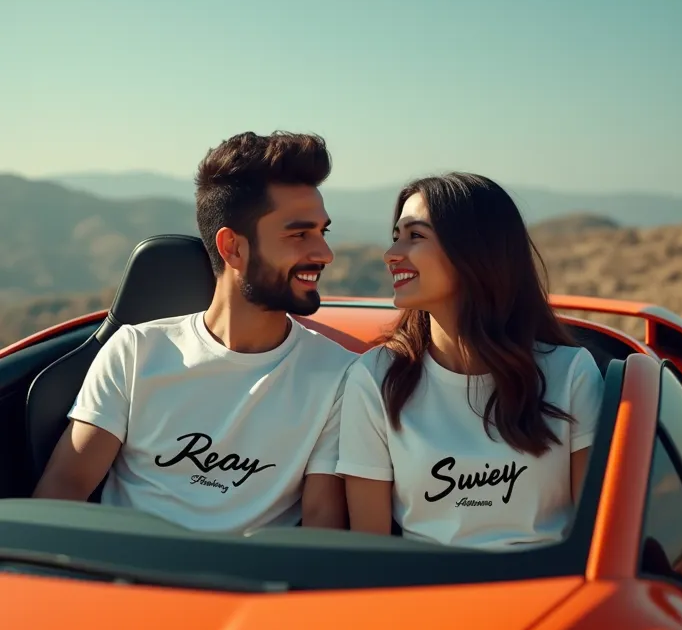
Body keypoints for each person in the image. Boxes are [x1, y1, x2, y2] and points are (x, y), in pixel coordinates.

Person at [34, 131, 357, 533]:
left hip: (252, 590)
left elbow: (321, 529)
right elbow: (64, 490)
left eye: (322, 232)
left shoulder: (341, 377)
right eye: (298, 234)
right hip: (121, 583)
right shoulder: (137, 351)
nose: (324, 253)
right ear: (233, 248)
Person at [335, 172, 605, 549]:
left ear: (474, 251)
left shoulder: (570, 374)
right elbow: (372, 552)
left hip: (548, 596)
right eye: (395, 236)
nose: (391, 254)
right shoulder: (375, 379)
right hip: (426, 599)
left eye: (415, 236)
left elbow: (595, 543)